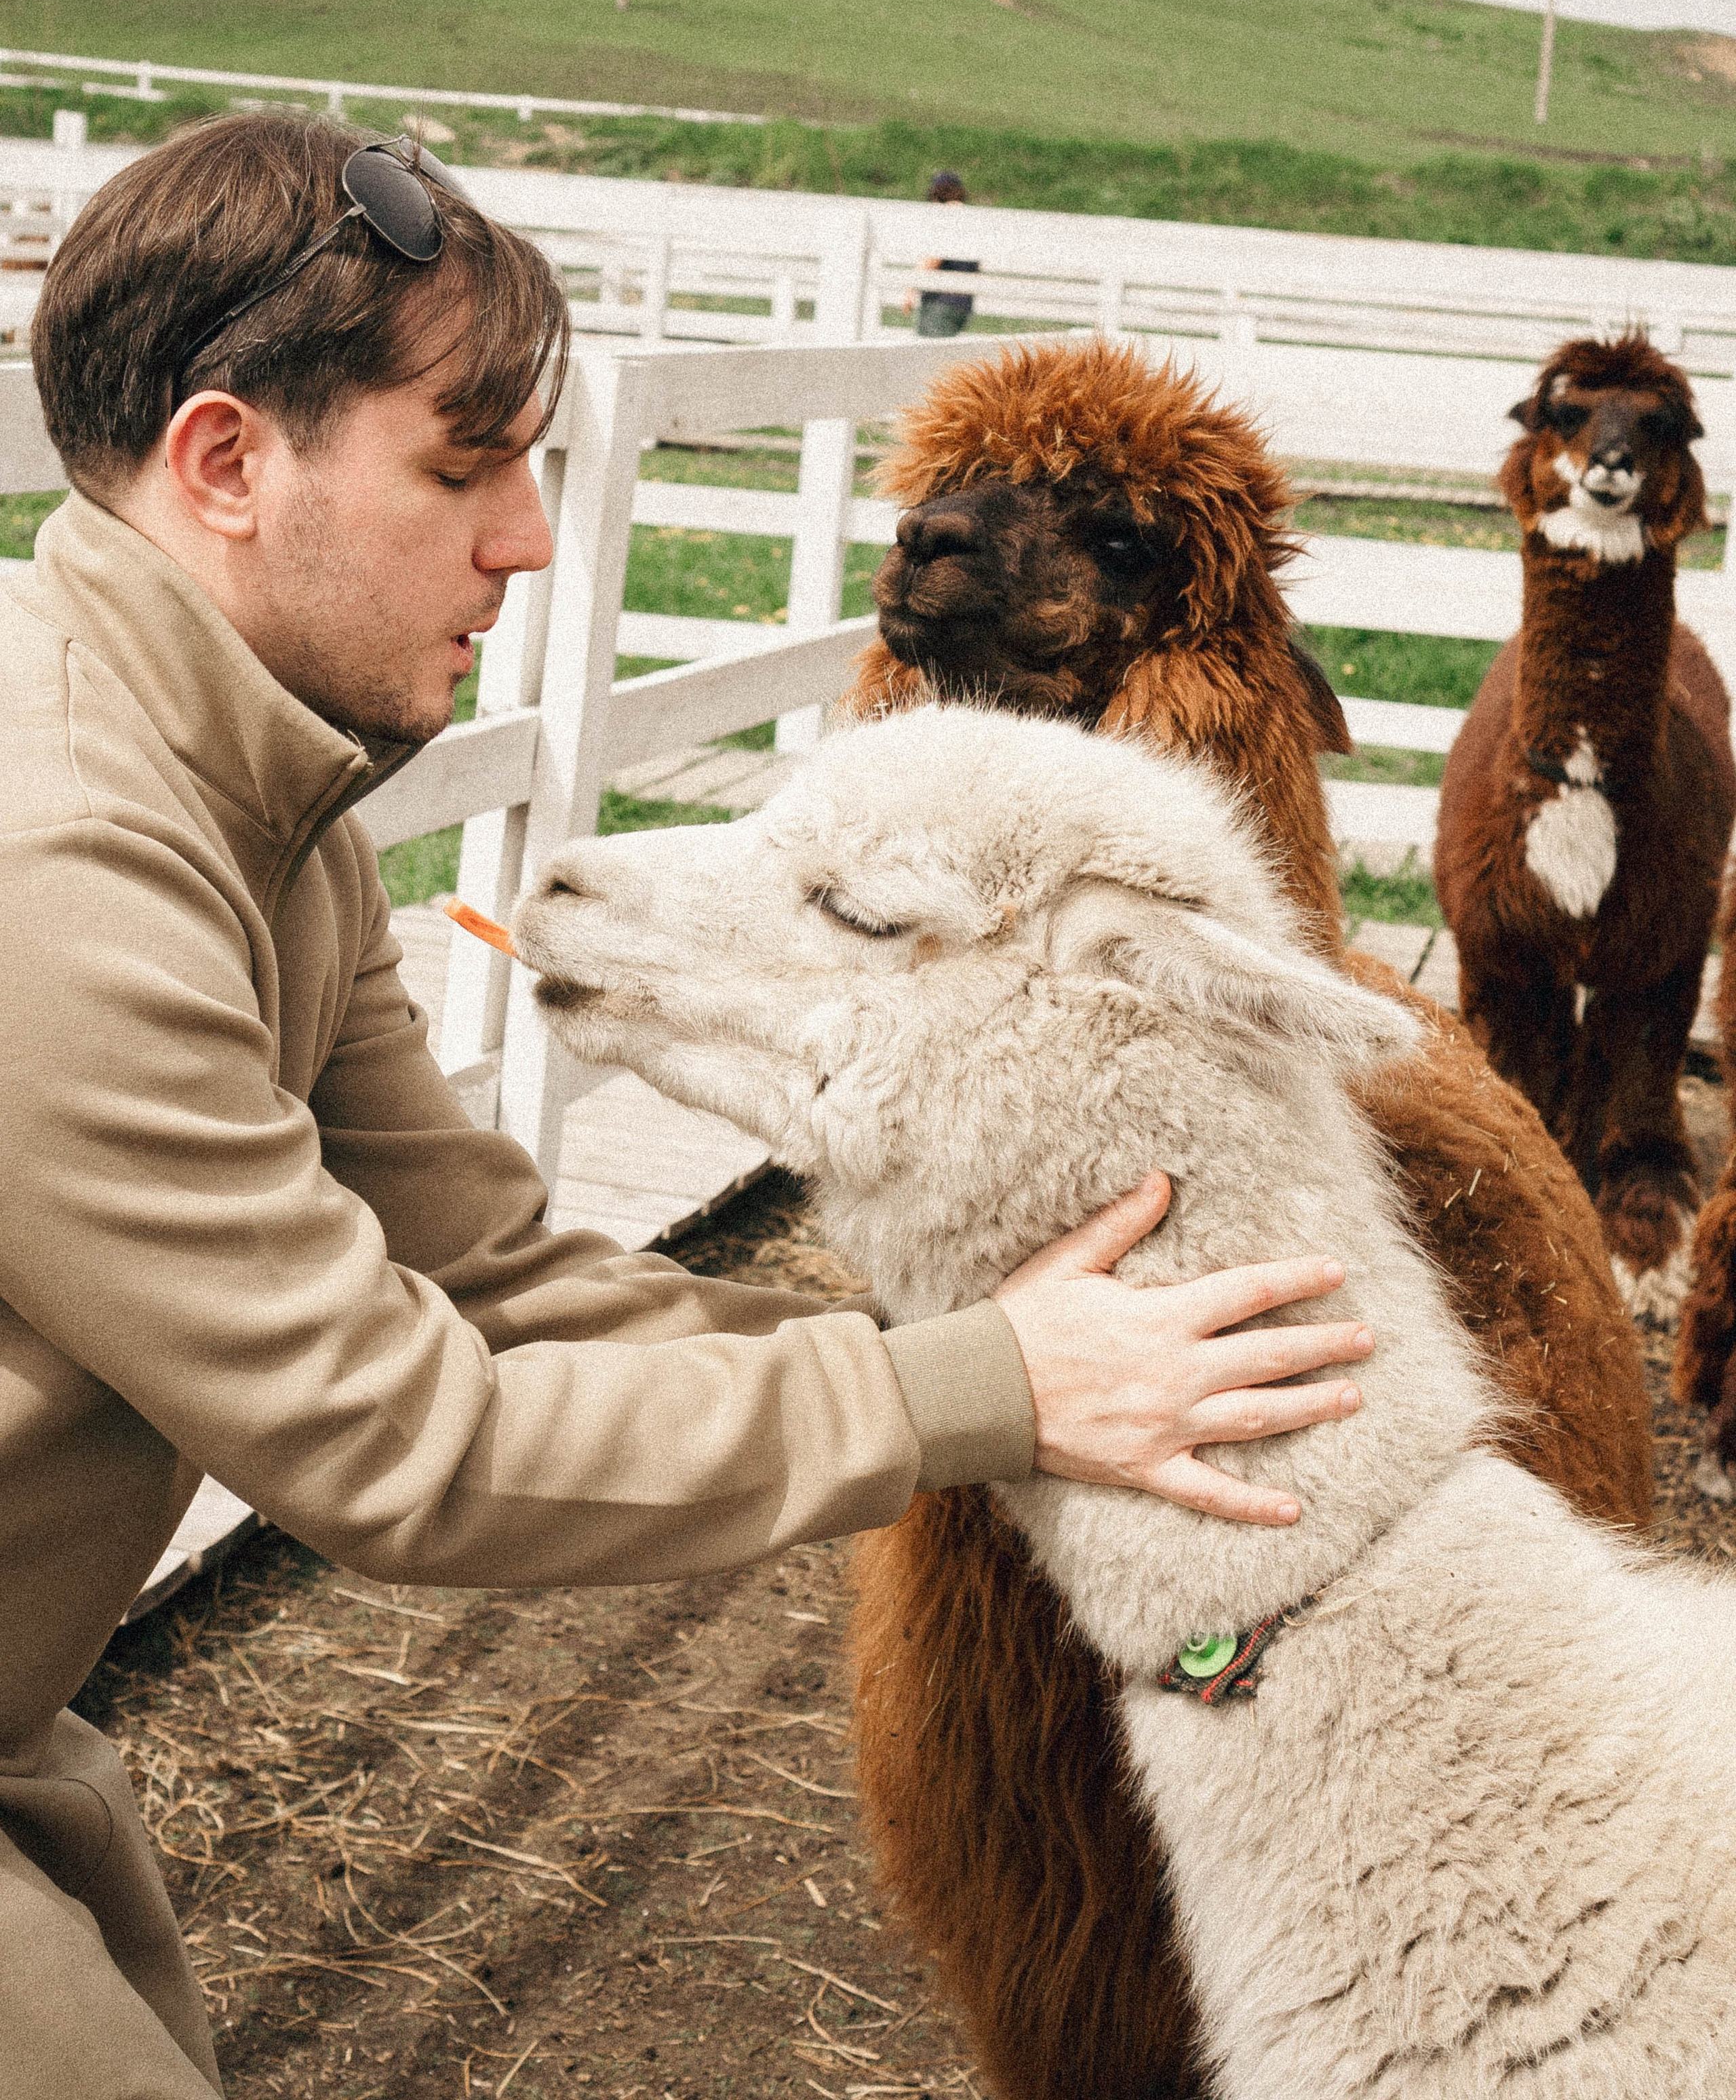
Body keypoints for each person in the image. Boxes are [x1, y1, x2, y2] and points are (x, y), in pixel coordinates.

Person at [0, 114, 1375, 2095]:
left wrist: (994, 1372)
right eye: (461, 466)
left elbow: (493, 1269)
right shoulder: (63, 866)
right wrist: (984, 1390)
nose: (536, 536)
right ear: (228, 462)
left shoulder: (268, 820)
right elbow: (404, 1442)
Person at [901, 167, 979, 334]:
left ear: (937, 195)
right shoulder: (971, 220)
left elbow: (935, 257)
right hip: (963, 305)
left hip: (941, 302)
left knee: (928, 352)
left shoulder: (948, 216)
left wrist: (911, 288)